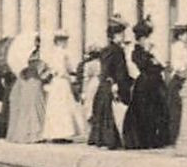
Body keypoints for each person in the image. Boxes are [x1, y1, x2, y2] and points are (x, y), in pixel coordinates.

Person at [123, 18, 171, 149]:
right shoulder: (137, 52)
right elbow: (145, 66)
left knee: (158, 111)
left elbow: (161, 66)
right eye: (145, 38)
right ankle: (145, 140)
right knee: (145, 112)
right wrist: (151, 58)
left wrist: (154, 59)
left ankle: (156, 139)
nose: (148, 41)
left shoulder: (149, 53)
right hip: (145, 84)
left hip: (155, 83)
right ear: (140, 39)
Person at [88, 18, 132, 150]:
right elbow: (111, 69)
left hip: (109, 83)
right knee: (108, 112)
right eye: (120, 35)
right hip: (112, 84)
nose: (122, 37)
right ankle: (109, 140)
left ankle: (104, 139)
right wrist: (115, 83)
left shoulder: (112, 49)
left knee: (106, 112)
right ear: (114, 36)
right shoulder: (115, 50)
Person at [40, 31, 84, 142]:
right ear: (59, 41)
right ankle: (62, 133)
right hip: (62, 82)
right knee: (64, 107)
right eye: (64, 40)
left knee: (56, 108)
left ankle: (56, 134)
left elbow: (53, 68)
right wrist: (71, 77)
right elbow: (64, 70)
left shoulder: (52, 53)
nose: (66, 42)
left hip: (55, 82)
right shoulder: (63, 53)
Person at [6, 37, 47, 144]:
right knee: (36, 108)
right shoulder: (38, 61)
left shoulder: (22, 63)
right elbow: (42, 74)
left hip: (25, 85)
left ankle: (24, 134)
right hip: (35, 84)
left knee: (25, 109)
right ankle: (35, 135)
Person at [166, 24, 187, 143]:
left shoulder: (185, 47)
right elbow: (178, 66)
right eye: (186, 34)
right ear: (180, 35)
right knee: (176, 110)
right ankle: (174, 136)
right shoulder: (178, 47)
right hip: (179, 79)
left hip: (183, 78)